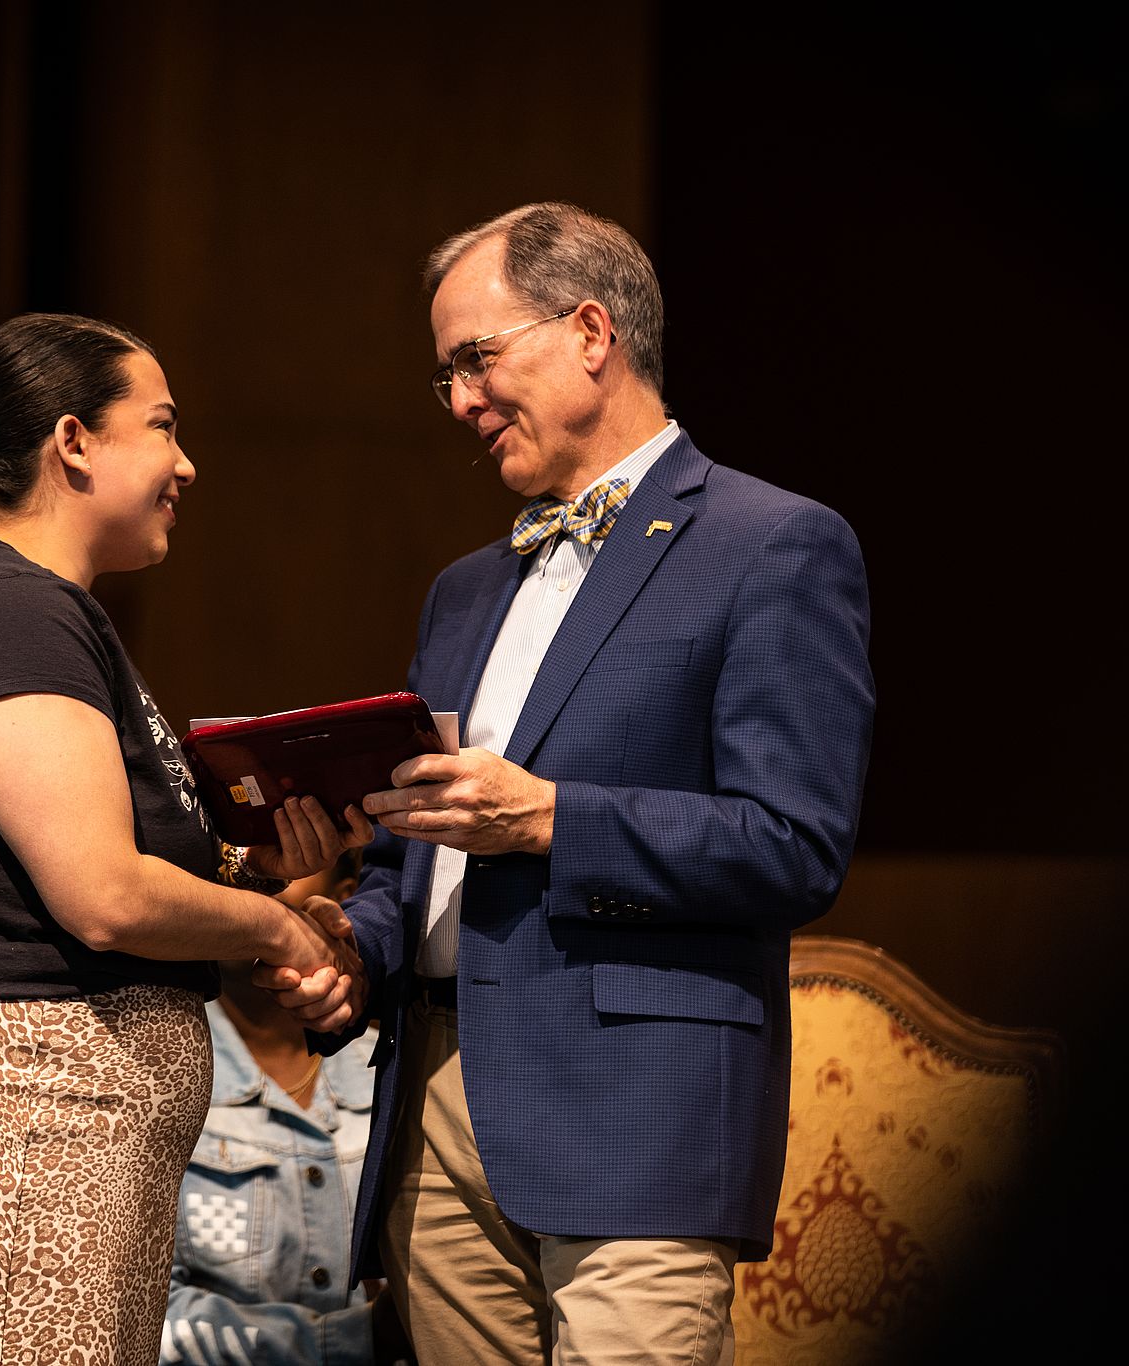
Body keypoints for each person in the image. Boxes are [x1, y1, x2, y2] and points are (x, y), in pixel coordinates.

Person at [263, 203, 875, 1364]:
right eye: (441, 376)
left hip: (631, 1116)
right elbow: (418, 858)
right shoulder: (462, 590)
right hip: (431, 1116)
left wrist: (548, 817)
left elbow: (795, 844)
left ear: (589, 330)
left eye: (474, 359)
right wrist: (354, 949)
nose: (455, 401)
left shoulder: (771, 544)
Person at [0, 312, 369, 1364]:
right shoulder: (7, 609)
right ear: (72, 443)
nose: (186, 463)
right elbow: (103, 892)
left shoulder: (28, 607)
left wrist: (256, 876)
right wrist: (274, 935)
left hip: (36, 1141)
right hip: (1, 1135)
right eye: (161, 426)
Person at [164, 850, 414, 1366]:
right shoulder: (159, 1076)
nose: (247, 891)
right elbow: (146, 1314)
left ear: (345, 895)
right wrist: (359, 1336)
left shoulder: (399, 1069)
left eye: (282, 864)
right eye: (226, 869)